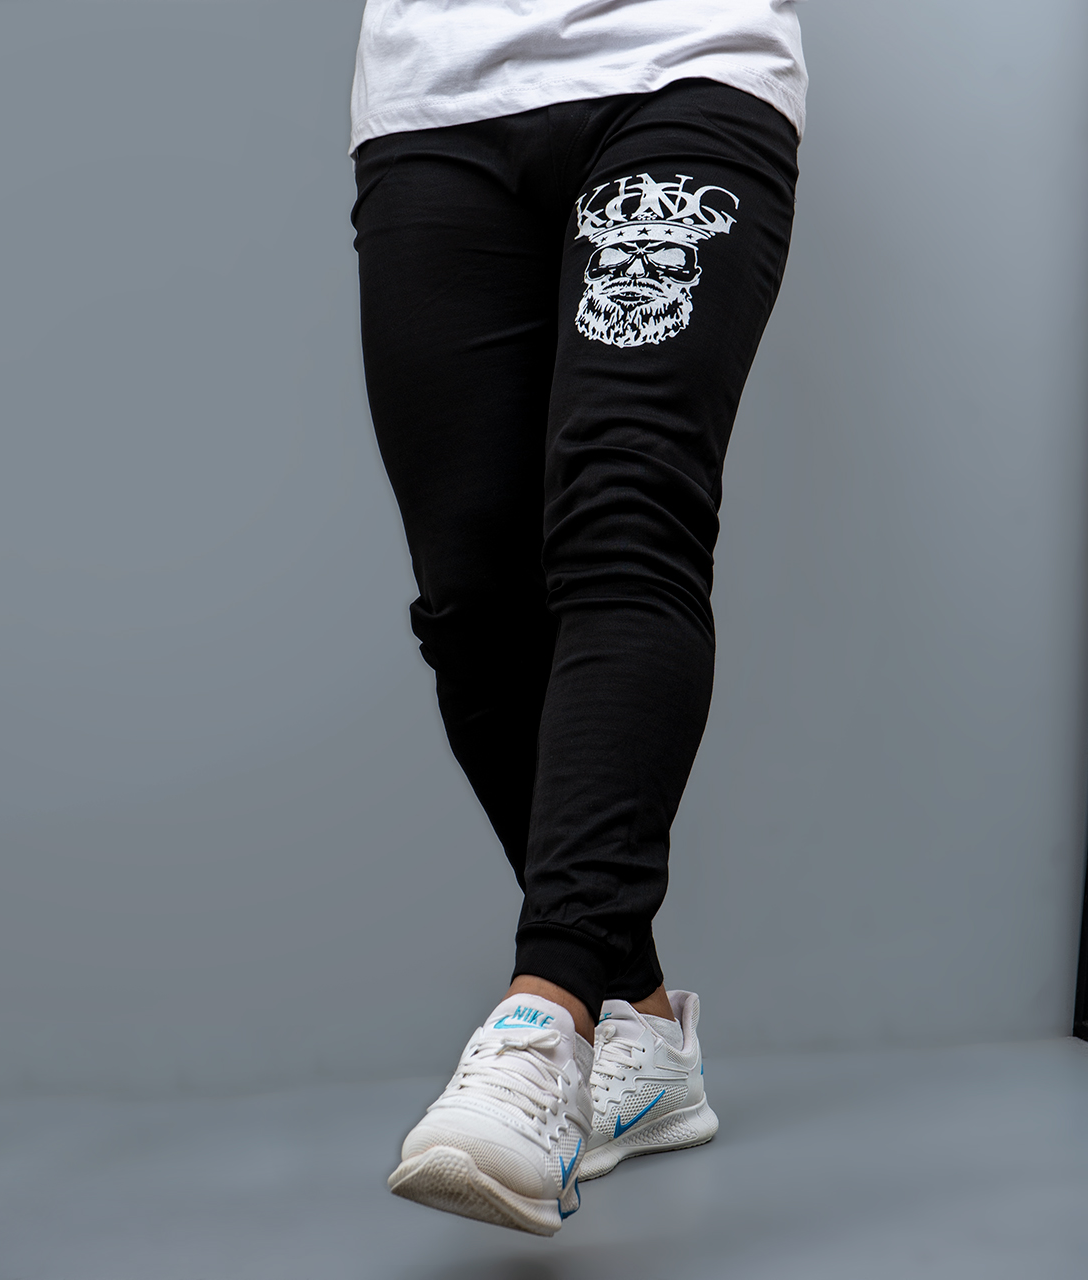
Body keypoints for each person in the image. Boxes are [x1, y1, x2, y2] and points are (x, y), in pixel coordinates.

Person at [350, 0, 806, 1236]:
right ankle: (639, 1028)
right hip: (434, 94)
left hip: (678, 66)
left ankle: (541, 1019)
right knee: (473, 602)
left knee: (623, 519)